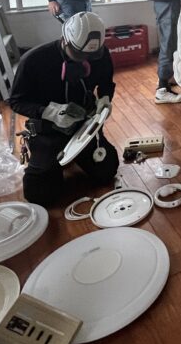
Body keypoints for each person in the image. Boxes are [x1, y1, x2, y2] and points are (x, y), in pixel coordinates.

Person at [7, 11, 119, 206]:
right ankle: (49, 157)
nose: (85, 60)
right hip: (49, 130)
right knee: (40, 194)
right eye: (79, 55)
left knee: (107, 171)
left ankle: (75, 157)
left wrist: (105, 99)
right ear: (65, 41)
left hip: (84, 127)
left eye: (90, 56)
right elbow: (16, 101)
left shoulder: (99, 55)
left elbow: (106, 82)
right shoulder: (34, 61)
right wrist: (49, 112)